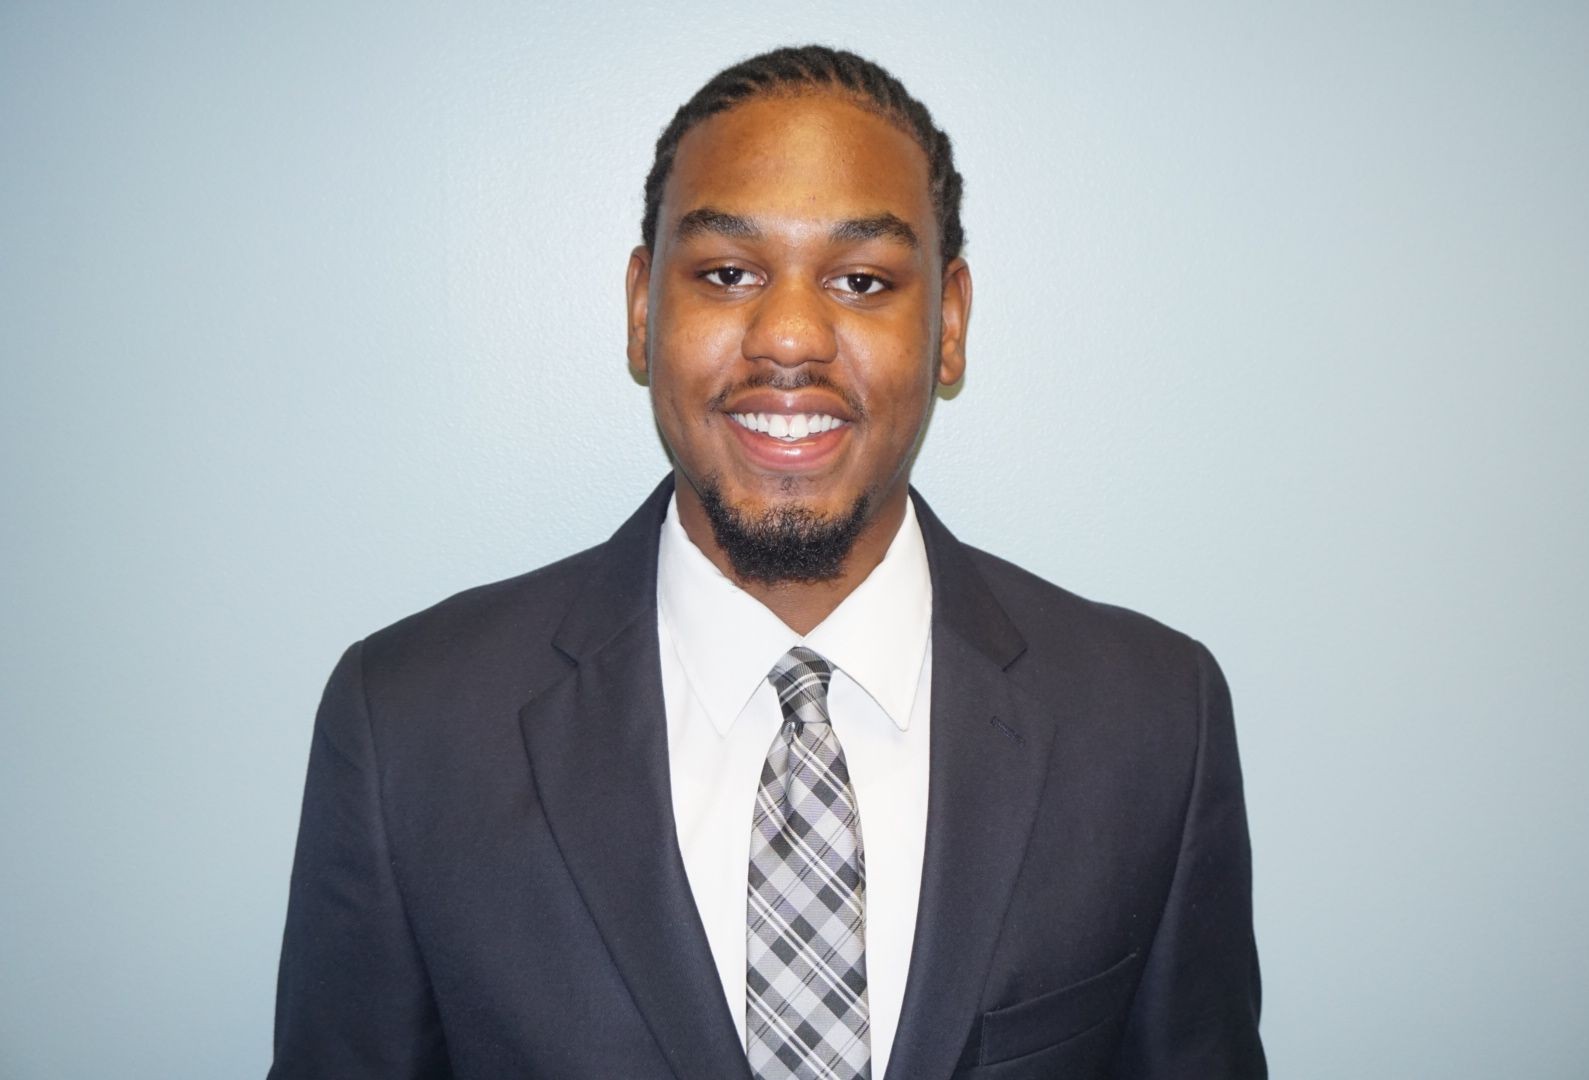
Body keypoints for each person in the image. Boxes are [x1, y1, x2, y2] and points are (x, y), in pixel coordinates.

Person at [268, 45, 1265, 1080]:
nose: (789, 337)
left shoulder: (1151, 722)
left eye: (862, 280)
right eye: (728, 274)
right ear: (643, 309)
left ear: (949, 323)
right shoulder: (409, 729)